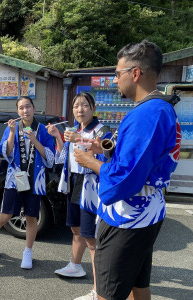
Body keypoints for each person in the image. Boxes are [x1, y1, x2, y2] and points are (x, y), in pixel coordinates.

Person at [74, 40, 180, 300]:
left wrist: (92, 162)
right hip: (148, 210)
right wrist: (107, 149)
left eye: (118, 74)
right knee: (138, 284)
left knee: (108, 293)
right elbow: (141, 159)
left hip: (129, 216)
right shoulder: (159, 108)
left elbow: (125, 177)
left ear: (135, 73)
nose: (115, 80)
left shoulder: (147, 114)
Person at [47, 92, 111, 300]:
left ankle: (98, 290)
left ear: (93, 108)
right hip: (73, 181)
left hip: (91, 185)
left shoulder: (102, 129)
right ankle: (75, 265)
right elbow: (64, 155)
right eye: (76, 106)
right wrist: (58, 136)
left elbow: (107, 153)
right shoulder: (72, 129)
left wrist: (80, 138)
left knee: (91, 238)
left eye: (84, 105)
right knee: (76, 229)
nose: (80, 109)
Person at [0, 96, 55, 269]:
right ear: (17, 111)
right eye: (21, 108)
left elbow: (50, 159)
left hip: (35, 179)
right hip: (16, 179)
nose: (25, 110)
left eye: (28, 107)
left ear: (34, 108)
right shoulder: (12, 128)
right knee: (6, 214)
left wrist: (35, 141)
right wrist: (12, 133)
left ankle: (27, 252)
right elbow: (6, 152)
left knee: (31, 217)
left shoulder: (42, 130)